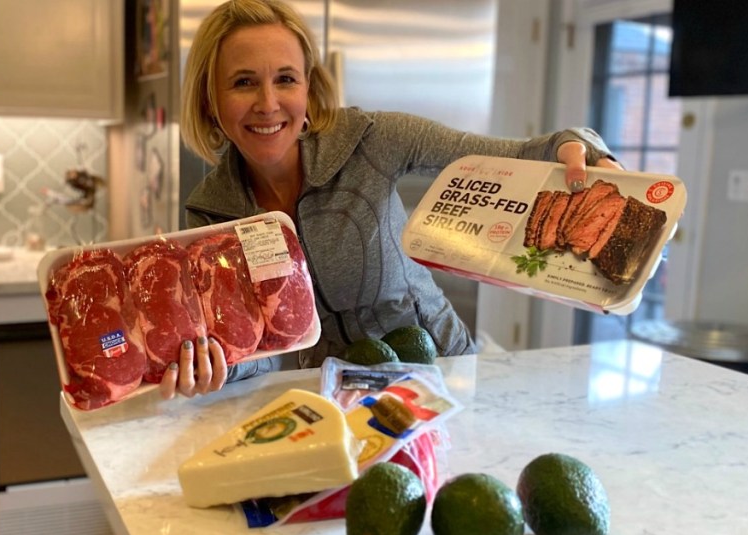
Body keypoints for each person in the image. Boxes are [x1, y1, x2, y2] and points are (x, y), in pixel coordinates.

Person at [159, 0, 622, 399]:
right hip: (332, 403)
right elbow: (261, 350)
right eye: (242, 82)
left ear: (309, 88)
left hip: (440, 374)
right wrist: (219, 366)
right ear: (209, 101)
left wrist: (581, 146)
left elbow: (515, 156)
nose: (267, 102)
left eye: (285, 79)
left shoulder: (370, 139)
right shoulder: (210, 213)